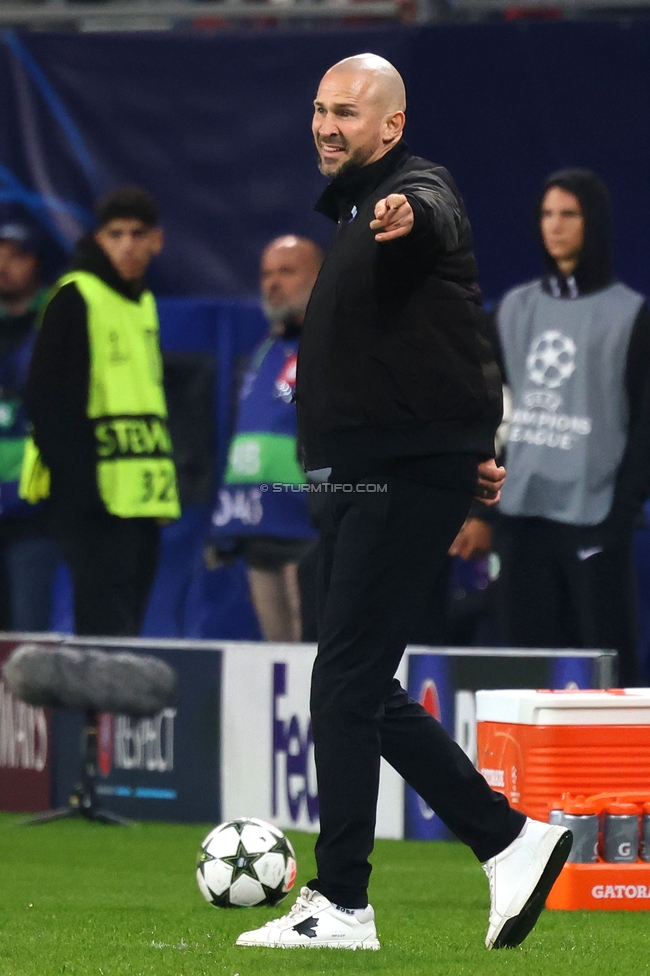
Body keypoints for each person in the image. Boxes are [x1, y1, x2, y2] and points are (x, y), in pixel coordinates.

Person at [236, 54, 571, 953]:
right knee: (357, 686)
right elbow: (434, 342)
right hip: (366, 476)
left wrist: (407, 211)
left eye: (346, 111)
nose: (326, 125)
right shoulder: (348, 208)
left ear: (391, 124)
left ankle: (342, 903)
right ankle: (509, 840)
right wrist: (463, 449)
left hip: (394, 480)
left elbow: (436, 215)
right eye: (317, 109)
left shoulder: (413, 192)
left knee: (342, 683)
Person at [453, 170, 650, 687]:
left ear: (595, 222)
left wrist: (621, 514)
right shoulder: (515, 310)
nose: (555, 226)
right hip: (520, 520)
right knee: (526, 672)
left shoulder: (631, 316)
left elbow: (645, 428)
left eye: (569, 214)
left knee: (608, 672)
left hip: (594, 519)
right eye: (546, 214)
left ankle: (616, 770)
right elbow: (489, 416)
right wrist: (480, 511)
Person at [22, 186, 180, 638]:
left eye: (137, 233)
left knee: (127, 629)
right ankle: (98, 714)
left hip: (139, 499)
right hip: (93, 501)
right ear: (98, 239)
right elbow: (46, 400)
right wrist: (83, 494)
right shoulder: (76, 296)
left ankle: (111, 713)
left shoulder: (143, 302)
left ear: (157, 241)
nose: (127, 245)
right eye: (115, 234)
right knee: (103, 632)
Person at [209, 236, 322, 641]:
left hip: (308, 532)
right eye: (266, 274)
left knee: (313, 656)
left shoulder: (334, 346)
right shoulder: (263, 351)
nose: (273, 283)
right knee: (276, 658)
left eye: (287, 272)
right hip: (257, 529)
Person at [0, 220, 62, 631]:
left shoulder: (56, 324)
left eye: (16, 254)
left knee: (27, 636)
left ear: (36, 263)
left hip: (32, 512)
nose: (4, 264)